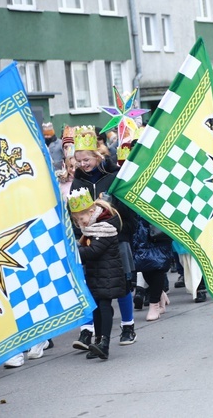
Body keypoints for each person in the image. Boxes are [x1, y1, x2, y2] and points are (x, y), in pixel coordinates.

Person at [70, 126, 138, 347]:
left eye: (86, 159)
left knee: (123, 283)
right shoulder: (78, 182)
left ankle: (128, 326)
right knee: (93, 285)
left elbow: (126, 210)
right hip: (90, 240)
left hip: (116, 237)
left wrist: (122, 231)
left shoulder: (113, 178)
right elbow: (74, 212)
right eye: (78, 160)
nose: (82, 164)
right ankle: (89, 331)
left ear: (97, 156)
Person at [69, 188, 127, 359]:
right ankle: (98, 340)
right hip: (97, 275)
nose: (81, 223)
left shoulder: (105, 228)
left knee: (104, 307)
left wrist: (73, 253)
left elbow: (93, 252)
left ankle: (105, 343)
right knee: (97, 309)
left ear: (92, 211)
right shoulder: (91, 229)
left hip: (108, 275)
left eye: (82, 218)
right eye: (77, 221)